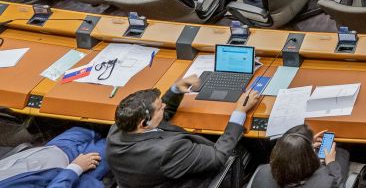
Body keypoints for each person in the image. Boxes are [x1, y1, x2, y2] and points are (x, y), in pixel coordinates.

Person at [106, 76, 261, 188]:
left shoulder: (119, 129)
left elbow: (160, 119)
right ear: (143, 123)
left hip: (153, 177)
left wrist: (176, 89)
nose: (164, 107)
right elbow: (218, 157)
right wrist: (239, 112)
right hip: (196, 179)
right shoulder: (168, 151)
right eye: (160, 107)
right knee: (252, 147)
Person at [0, 127, 106, 188]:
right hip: (73, 172)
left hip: (52, 149)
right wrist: (75, 168)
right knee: (115, 142)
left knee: (90, 125)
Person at [249, 125, 347, 188]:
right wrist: (331, 163)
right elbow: (339, 185)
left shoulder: (263, 173)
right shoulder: (325, 183)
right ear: (309, 160)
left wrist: (303, 146)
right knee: (341, 153)